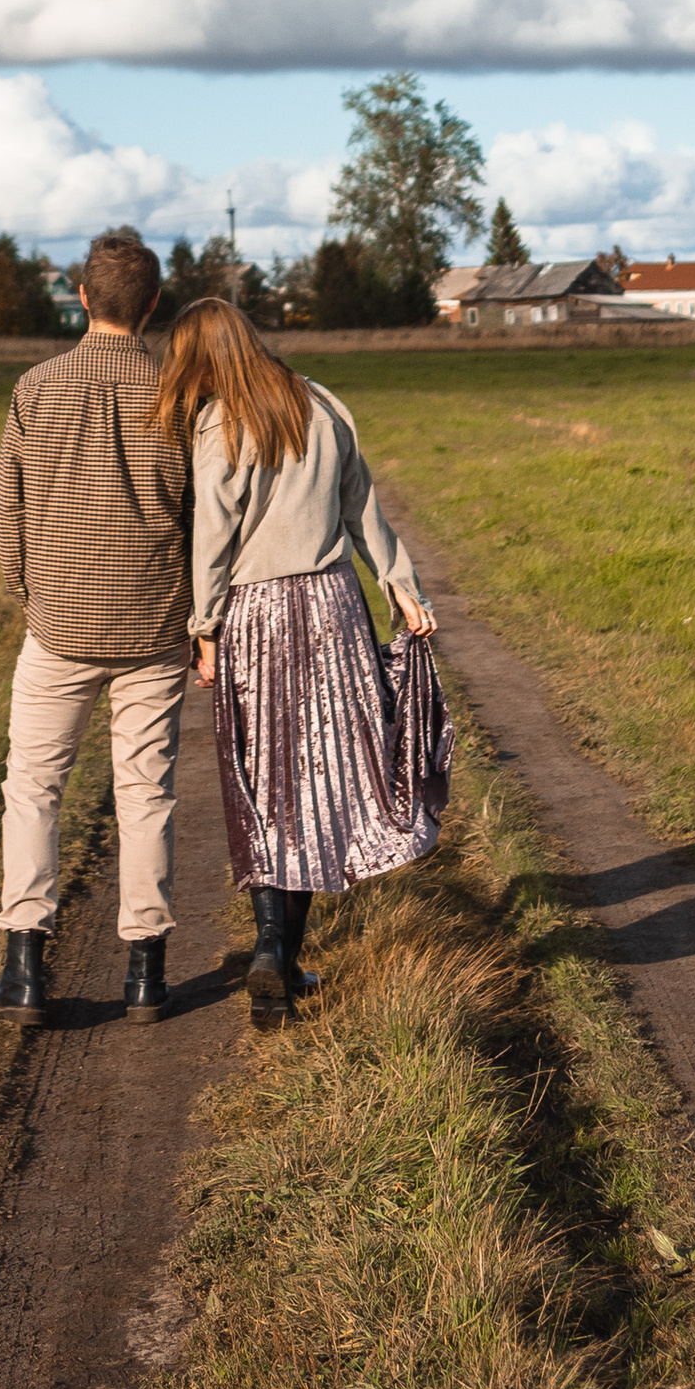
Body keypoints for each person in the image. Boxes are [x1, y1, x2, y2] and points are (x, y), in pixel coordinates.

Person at [150, 297, 452, 1027]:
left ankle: (266, 948)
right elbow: (364, 508)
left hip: (255, 616)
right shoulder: (322, 404)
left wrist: (205, 629)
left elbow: (212, 540)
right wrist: (402, 591)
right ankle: (283, 963)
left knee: (262, 783)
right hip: (332, 608)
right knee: (315, 784)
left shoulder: (219, 423)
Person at [0, 226, 193, 1030]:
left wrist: (29, 594)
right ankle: (147, 972)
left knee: (33, 787)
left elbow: (10, 506)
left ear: (82, 297)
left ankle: (26, 965)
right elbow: (200, 512)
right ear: (151, 305)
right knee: (147, 794)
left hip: (59, 626)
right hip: (153, 624)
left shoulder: (36, 387)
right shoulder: (178, 389)